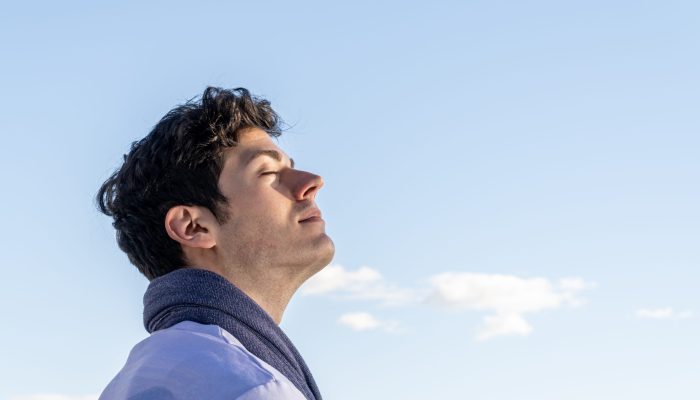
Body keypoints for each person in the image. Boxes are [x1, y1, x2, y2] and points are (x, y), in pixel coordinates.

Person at [96, 87, 335, 400]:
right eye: (268, 171)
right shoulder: (244, 385)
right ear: (193, 227)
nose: (312, 182)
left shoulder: (153, 373)